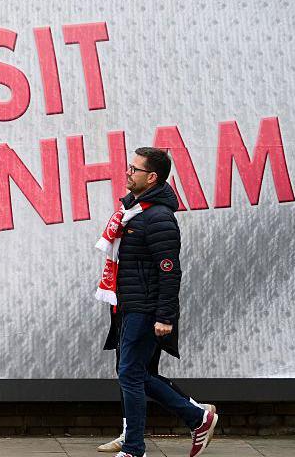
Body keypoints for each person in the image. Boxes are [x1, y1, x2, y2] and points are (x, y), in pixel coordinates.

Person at [95, 148, 218, 457]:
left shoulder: (158, 218)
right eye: (129, 167)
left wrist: (165, 316)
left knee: (131, 374)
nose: (127, 173)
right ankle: (195, 417)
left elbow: (170, 271)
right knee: (134, 374)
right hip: (128, 306)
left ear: (152, 177)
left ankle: (136, 448)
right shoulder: (136, 211)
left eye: (134, 169)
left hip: (145, 310)